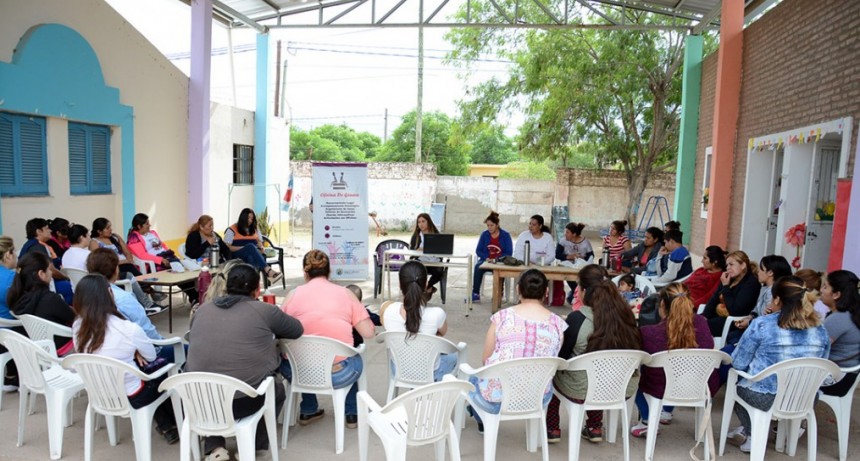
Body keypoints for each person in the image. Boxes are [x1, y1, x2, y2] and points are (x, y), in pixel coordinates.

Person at [186, 264, 303, 460]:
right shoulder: (265, 311)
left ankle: (215, 448)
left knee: (212, 382)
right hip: (243, 403)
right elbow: (297, 330)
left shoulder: (203, 310)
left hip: (200, 401)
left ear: (226, 286)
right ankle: (250, 446)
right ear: (257, 289)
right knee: (276, 389)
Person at [70, 274, 179, 444]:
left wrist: (133, 350)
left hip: (100, 392)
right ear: (110, 294)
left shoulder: (77, 327)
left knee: (146, 369)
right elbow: (151, 356)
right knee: (162, 368)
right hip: (132, 395)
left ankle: (167, 426)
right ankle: (177, 422)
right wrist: (135, 349)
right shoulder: (128, 329)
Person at [726, 276, 830, 453]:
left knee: (737, 387)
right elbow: (823, 365)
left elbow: (738, 363)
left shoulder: (762, 324)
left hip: (765, 396)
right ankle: (774, 437)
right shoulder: (820, 328)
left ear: (777, 299)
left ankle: (752, 435)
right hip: (804, 397)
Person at [546, 264, 642, 444]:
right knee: (598, 371)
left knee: (552, 373)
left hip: (582, 389)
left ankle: (552, 428)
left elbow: (563, 358)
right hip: (621, 386)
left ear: (584, 290)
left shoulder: (577, 319)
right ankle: (594, 426)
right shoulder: (627, 315)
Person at [279, 250, 374, 429]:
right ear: (329, 272)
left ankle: (308, 409)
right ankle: (351, 413)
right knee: (353, 355)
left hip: (299, 373)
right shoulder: (346, 294)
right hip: (339, 373)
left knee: (300, 356)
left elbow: (278, 328)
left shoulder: (293, 295)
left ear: (305, 273)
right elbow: (368, 333)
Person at [467, 269, 567, 433]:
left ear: (518, 289)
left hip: (497, 398)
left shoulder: (502, 317)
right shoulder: (558, 324)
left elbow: (485, 360)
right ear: (546, 292)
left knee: (473, 379)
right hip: (537, 397)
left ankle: (482, 420)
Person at [630, 283, 716, 438]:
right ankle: (666, 412)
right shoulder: (702, 323)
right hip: (699, 386)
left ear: (662, 304)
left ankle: (648, 420)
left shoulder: (648, 332)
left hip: (661, 388)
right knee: (678, 372)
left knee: (634, 374)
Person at [86, 249, 175, 361]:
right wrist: (161, 343)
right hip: (134, 356)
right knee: (189, 351)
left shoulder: (84, 299)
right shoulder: (123, 299)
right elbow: (146, 330)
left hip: (100, 360)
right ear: (115, 270)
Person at [382, 261, 457, 381]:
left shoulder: (388, 310)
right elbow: (442, 333)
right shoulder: (436, 314)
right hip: (430, 372)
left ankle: (415, 392)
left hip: (399, 370)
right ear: (426, 284)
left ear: (400, 285)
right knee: (455, 355)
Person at [7, 252, 75, 354]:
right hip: (63, 349)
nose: (51, 273)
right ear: (41, 274)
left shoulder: (17, 298)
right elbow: (74, 319)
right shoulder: (50, 299)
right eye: (49, 270)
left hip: (39, 350)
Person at [127, 213, 199, 305]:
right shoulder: (134, 238)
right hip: (153, 264)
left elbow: (163, 246)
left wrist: (172, 255)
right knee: (176, 272)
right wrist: (160, 260)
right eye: (147, 223)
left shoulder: (152, 233)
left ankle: (194, 296)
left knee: (185, 271)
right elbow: (142, 255)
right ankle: (194, 297)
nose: (149, 225)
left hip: (166, 257)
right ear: (139, 226)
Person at [819, 270, 860, 397]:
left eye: (825, 287)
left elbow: (817, 349)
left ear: (836, 294)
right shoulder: (852, 313)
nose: (821, 290)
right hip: (847, 377)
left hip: (835, 380)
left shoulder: (838, 318)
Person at [701, 251, 760, 337]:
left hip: (733, 322)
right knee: (691, 322)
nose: (728, 268)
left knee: (697, 328)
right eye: (727, 265)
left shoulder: (751, 283)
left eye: (731, 264)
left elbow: (736, 311)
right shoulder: (729, 278)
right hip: (717, 316)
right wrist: (704, 316)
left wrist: (725, 286)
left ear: (743, 265)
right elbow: (713, 300)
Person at [732, 255, 793, 334]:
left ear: (770, 273)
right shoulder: (764, 288)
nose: (758, 271)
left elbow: (768, 318)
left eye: (761, 269)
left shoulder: (774, 292)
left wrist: (749, 322)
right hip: (756, 327)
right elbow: (757, 309)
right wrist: (750, 317)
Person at [223, 208, 283, 285]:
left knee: (251, 257)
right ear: (243, 217)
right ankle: (268, 271)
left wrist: (261, 248)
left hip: (254, 254)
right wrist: (245, 248)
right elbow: (227, 248)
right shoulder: (231, 230)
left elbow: (260, 243)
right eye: (248, 218)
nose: (250, 220)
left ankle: (252, 285)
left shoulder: (255, 229)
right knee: (250, 247)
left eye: (252, 218)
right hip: (237, 254)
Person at [19, 217, 72, 304]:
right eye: (47, 228)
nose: (50, 230)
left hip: (31, 286)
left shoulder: (30, 244)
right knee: (70, 287)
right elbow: (51, 271)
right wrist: (67, 277)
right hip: (39, 288)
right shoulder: (38, 247)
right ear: (38, 231)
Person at [472, 211, 513, 303]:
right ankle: (475, 293)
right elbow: (478, 250)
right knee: (478, 267)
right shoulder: (484, 234)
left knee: (500, 271)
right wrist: (487, 258)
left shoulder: (505, 235)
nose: (489, 228)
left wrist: (496, 259)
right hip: (486, 260)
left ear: (497, 225)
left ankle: (498, 294)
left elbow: (509, 252)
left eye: (492, 225)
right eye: (488, 226)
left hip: (500, 262)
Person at [556, 222, 594, 304]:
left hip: (581, 267)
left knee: (581, 282)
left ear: (574, 234)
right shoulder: (563, 241)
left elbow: (591, 255)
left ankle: (574, 295)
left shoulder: (585, 242)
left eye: (567, 232)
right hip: (568, 266)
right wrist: (568, 257)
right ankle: (574, 293)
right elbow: (557, 254)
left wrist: (582, 258)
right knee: (572, 282)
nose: (565, 234)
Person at [0, 236, 20, 390]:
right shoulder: (11, 278)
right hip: (9, 329)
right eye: (14, 252)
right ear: (8, 255)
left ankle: (10, 373)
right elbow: (20, 305)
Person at [408, 213, 445, 296]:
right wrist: (417, 250)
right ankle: (428, 289)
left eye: (423, 221)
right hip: (421, 261)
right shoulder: (416, 235)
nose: (421, 224)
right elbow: (411, 250)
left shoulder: (436, 234)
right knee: (416, 271)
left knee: (439, 271)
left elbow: (442, 249)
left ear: (428, 222)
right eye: (419, 222)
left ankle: (428, 286)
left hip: (434, 261)